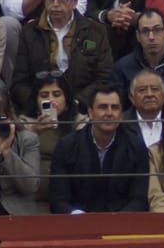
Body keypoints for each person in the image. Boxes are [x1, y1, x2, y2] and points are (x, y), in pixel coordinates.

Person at [48, 81, 150, 211]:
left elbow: (139, 199)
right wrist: (76, 215)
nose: (109, 113)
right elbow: (58, 199)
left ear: (121, 113)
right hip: (78, 223)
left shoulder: (136, 146)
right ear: (90, 112)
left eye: (114, 107)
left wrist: (118, 221)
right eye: (103, 107)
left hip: (122, 223)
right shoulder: (67, 145)